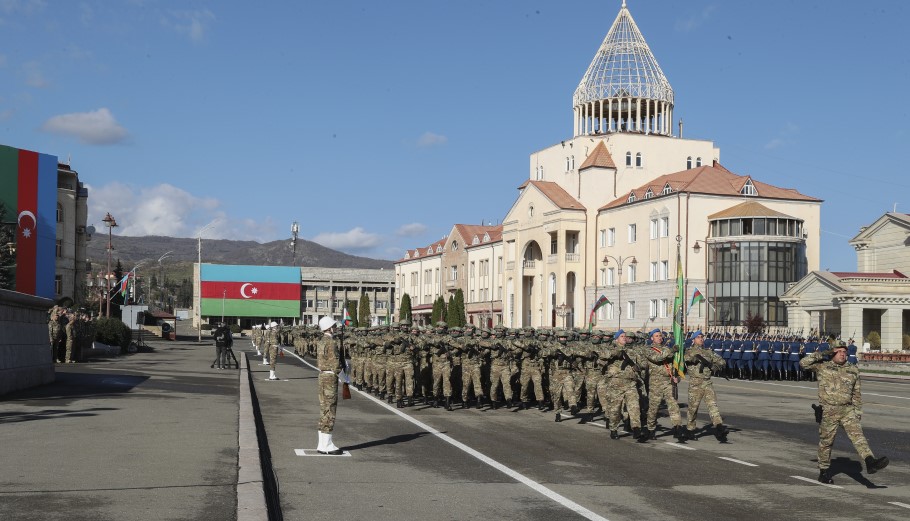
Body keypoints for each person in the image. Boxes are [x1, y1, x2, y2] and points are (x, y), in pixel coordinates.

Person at [800, 340, 888, 484]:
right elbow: (803, 363)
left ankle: (870, 461)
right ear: (833, 352)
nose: (843, 354)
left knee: (858, 437)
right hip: (829, 410)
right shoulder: (822, 366)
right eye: (839, 351)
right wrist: (823, 353)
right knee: (826, 443)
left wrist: (858, 411)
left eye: (844, 351)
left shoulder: (852, 369)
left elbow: (856, 392)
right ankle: (823, 471)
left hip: (847, 410)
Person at [684, 330, 729, 442]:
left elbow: (722, 361)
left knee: (713, 406)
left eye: (702, 337)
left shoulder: (708, 352)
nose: (701, 339)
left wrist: (715, 367)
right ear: (693, 340)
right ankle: (690, 429)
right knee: (693, 409)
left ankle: (719, 428)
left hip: (707, 382)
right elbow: (686, 358)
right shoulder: (689, 351)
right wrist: (695, 358)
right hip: (695, 383)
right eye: (698, 337)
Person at [644, 329, 683, 441]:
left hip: (668, 381)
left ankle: (677, 428)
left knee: (673, 405)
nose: (659, 338)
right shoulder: (648, 349)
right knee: (654, 408)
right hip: (655, 382)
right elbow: (657, 358)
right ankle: (651, 429)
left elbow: (674, 364)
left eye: (660, 336)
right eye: (656, 336)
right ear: (651, 338)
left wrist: (677, 376)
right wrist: (671, 350)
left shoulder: (667, 349)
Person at [315, 316, 344, 455]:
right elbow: (335, 363)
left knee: (324, 408)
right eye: (334, 326)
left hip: (322, 375)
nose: (336, 328)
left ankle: (322, 443)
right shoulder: (331, 342)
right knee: (330, 409)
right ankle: (327, 444)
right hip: (330, 376)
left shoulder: (321, 341)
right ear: (329, 328)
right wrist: (344, 377)